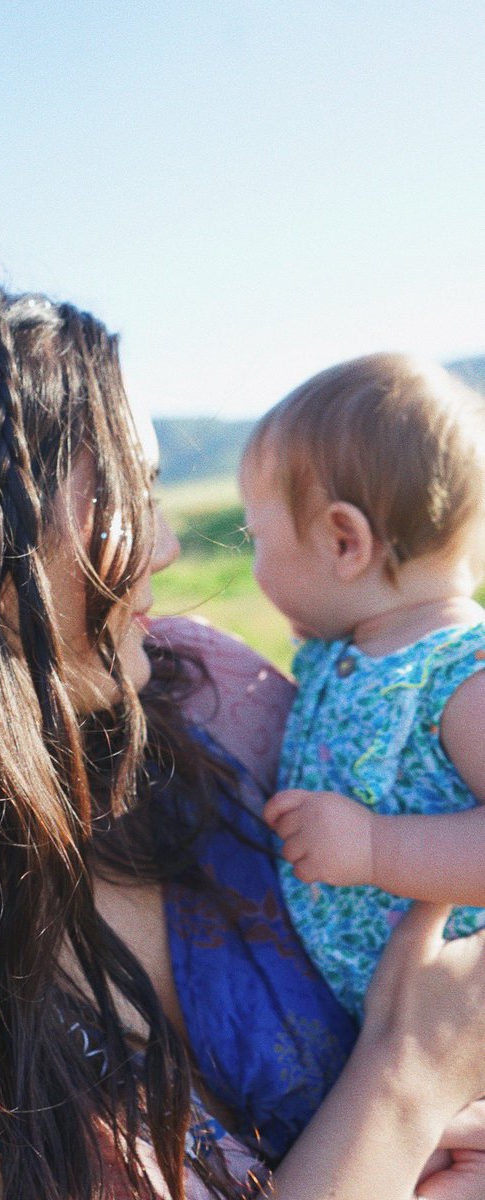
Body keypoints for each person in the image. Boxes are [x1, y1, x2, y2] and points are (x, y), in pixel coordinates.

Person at [0, 289, 485, 1200]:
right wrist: (406, 1085)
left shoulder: (203, 698)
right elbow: (426, 1057)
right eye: (124, 491)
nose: (172, 543)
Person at [237, 352, 485, 1021]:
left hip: (456, 1025)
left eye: (254, 535)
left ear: (345, 541)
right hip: (369, 1025)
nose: (253, 562)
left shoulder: (463, 673)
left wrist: (377, 847)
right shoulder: (338, 656)